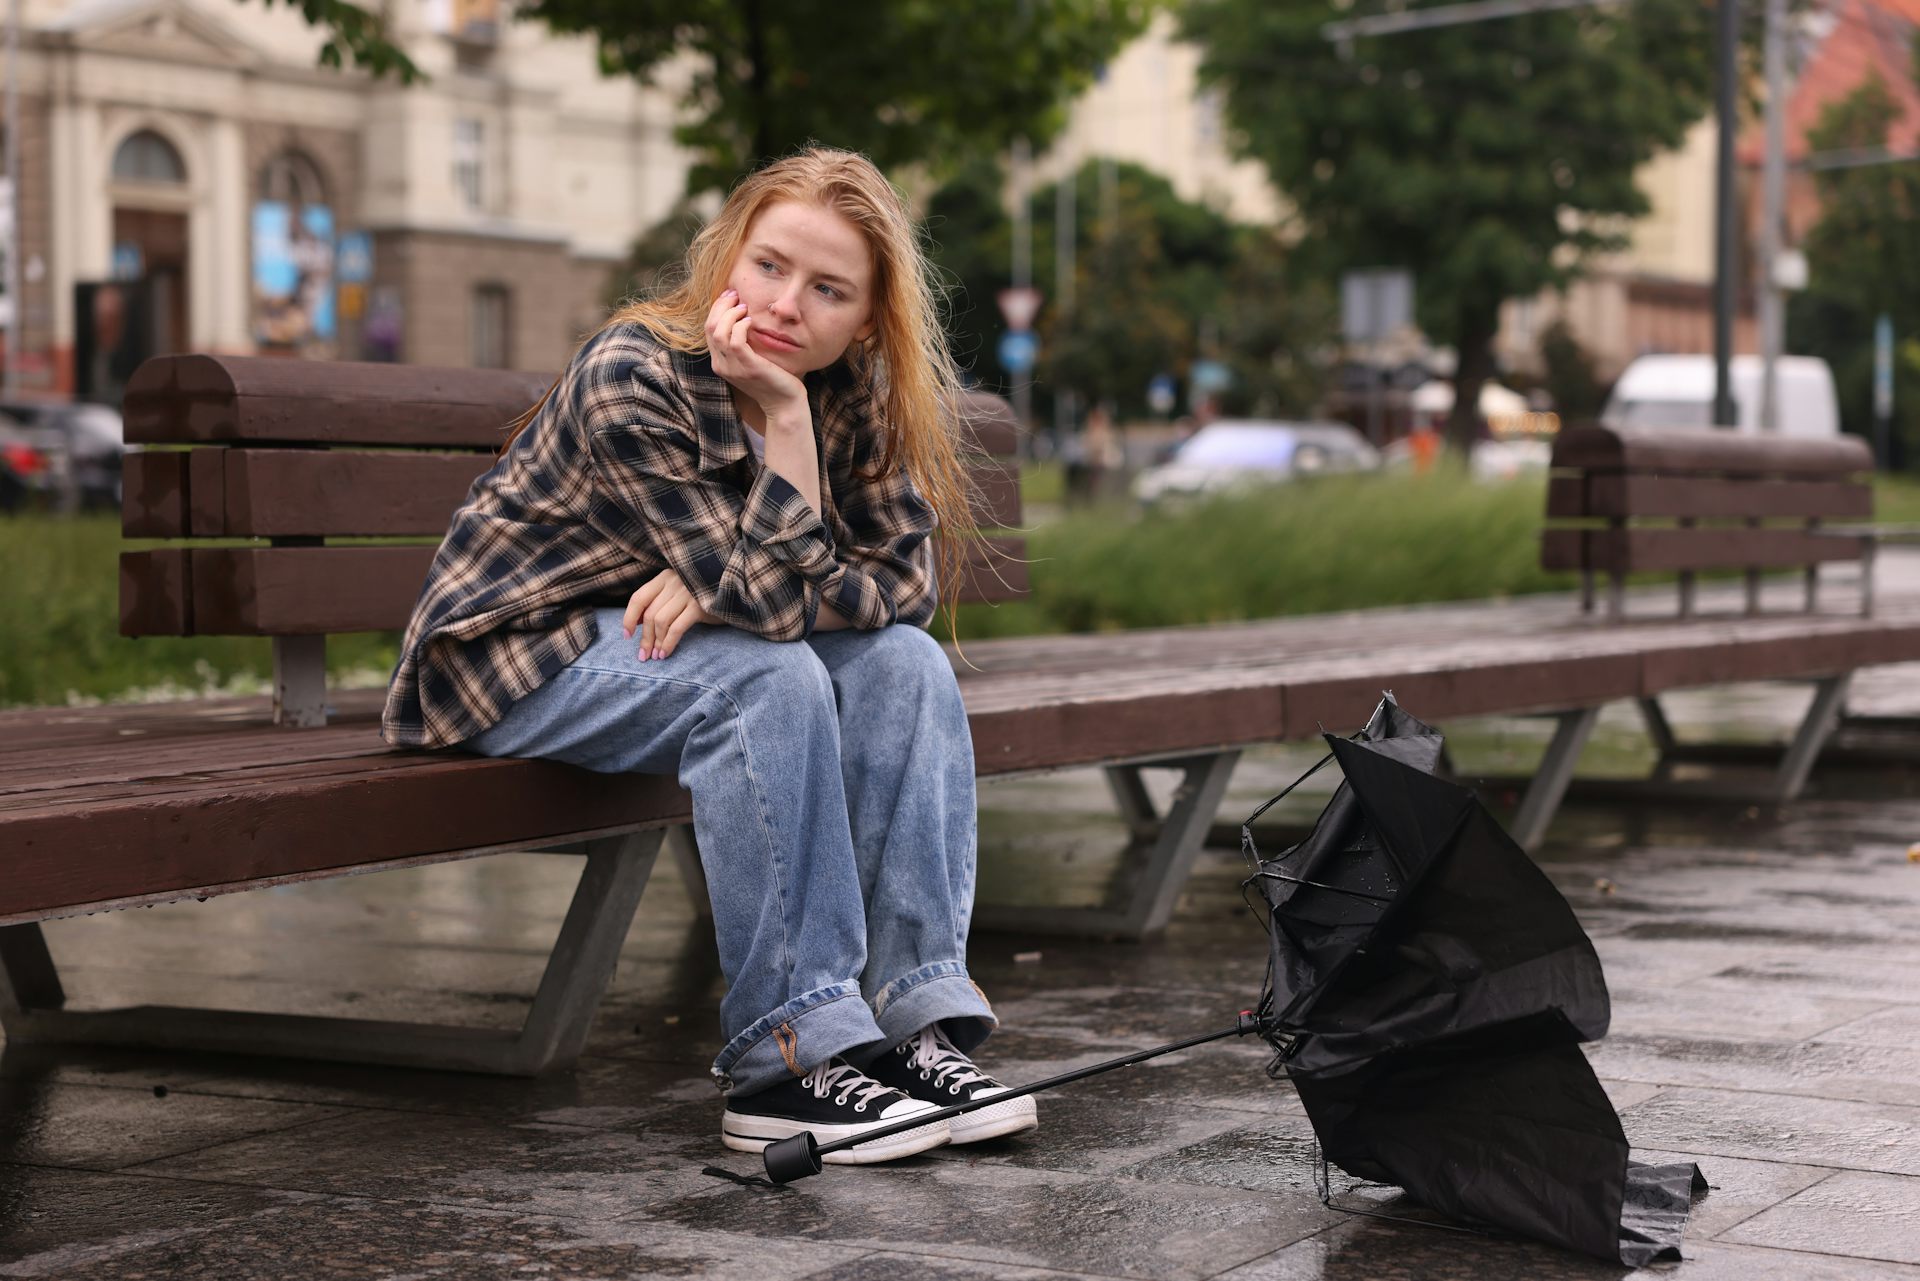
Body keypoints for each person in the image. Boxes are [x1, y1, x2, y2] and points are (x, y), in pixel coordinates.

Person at [382, 147, 1037, 1166]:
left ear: (865, 318)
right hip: (516, 654)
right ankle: (785, 1064)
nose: (786, 306)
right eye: (770, 265)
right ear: (729, 252)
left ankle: (915, 1031)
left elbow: (902, 584)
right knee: (765, 680)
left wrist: (723, 575)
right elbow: (778, 614)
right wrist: (778, 426)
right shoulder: (634, 372)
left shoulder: (857, 394)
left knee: (905, 665)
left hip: (660, 654)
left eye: (828, 291)